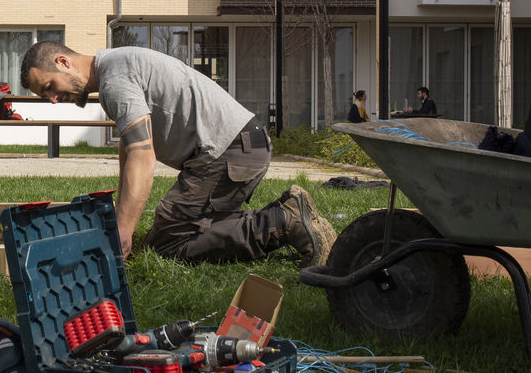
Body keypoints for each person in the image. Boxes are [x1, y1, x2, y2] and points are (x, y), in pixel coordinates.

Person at [19, 40, 336, 267]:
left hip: (231, 153)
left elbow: (143, 156)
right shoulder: (114, 67)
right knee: (177, 231)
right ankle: (279, 215)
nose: (53, 99)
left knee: (166, 243)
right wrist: (121, 215)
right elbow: (129, 147)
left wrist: (123, 232)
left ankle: (283, 221)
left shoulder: (115, 80)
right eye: (45, 96)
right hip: (238, 147)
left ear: (63, 62)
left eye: (49, 87)